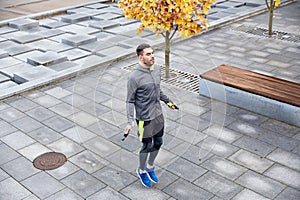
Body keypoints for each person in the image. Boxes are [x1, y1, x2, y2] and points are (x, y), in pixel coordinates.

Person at [124, 43, 178, 188]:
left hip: (158, 115)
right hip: (143, 119)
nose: (152, 56)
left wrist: (168, 102)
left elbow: (156, 90)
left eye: (153, 53)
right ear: (141, 57)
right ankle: (141, 170)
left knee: (159, 142)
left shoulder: (156, 70)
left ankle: (150, 166)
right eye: (148, 54)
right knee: (147, 145)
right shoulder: (134, 77)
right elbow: (130, 100)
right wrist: (130, 122)